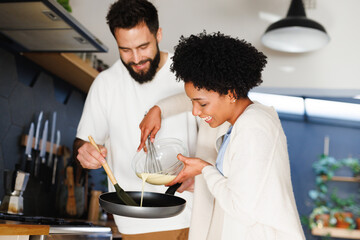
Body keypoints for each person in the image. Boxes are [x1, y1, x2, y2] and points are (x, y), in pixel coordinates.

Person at [138, 31, 305, 239]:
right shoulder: (242, 124)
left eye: (202, 104)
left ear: (232, 93)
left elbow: (241, 207)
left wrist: (205, 169)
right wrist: (202, 180)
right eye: (193, 102)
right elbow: (241, 188)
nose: (195, 112)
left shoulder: (254, 128)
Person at [73, 0, 197, 239]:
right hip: (138, 223)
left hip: (195, 213)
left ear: (158, 34)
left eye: (143, 46)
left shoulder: (186, 74)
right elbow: (82, 143)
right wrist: (85, 151)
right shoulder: (106, 84)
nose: (137, 58)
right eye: (125, 50)